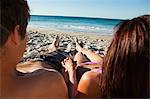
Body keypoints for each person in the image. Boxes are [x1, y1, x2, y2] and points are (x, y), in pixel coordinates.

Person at [62, 15, 149, 98]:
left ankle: (78, 49)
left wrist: (71, 71)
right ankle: (80, 47)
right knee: (89, 53)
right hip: (108, 67)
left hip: (98, 69)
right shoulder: (142, 81)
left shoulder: (93, 80)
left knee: (79, 58)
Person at [0, 0, 68, 98]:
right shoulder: (50, 82)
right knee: (54, 53)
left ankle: (52, 47)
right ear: (15, 35)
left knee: (47, 52)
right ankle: (54, 48)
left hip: (29, 60)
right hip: (50, 62)